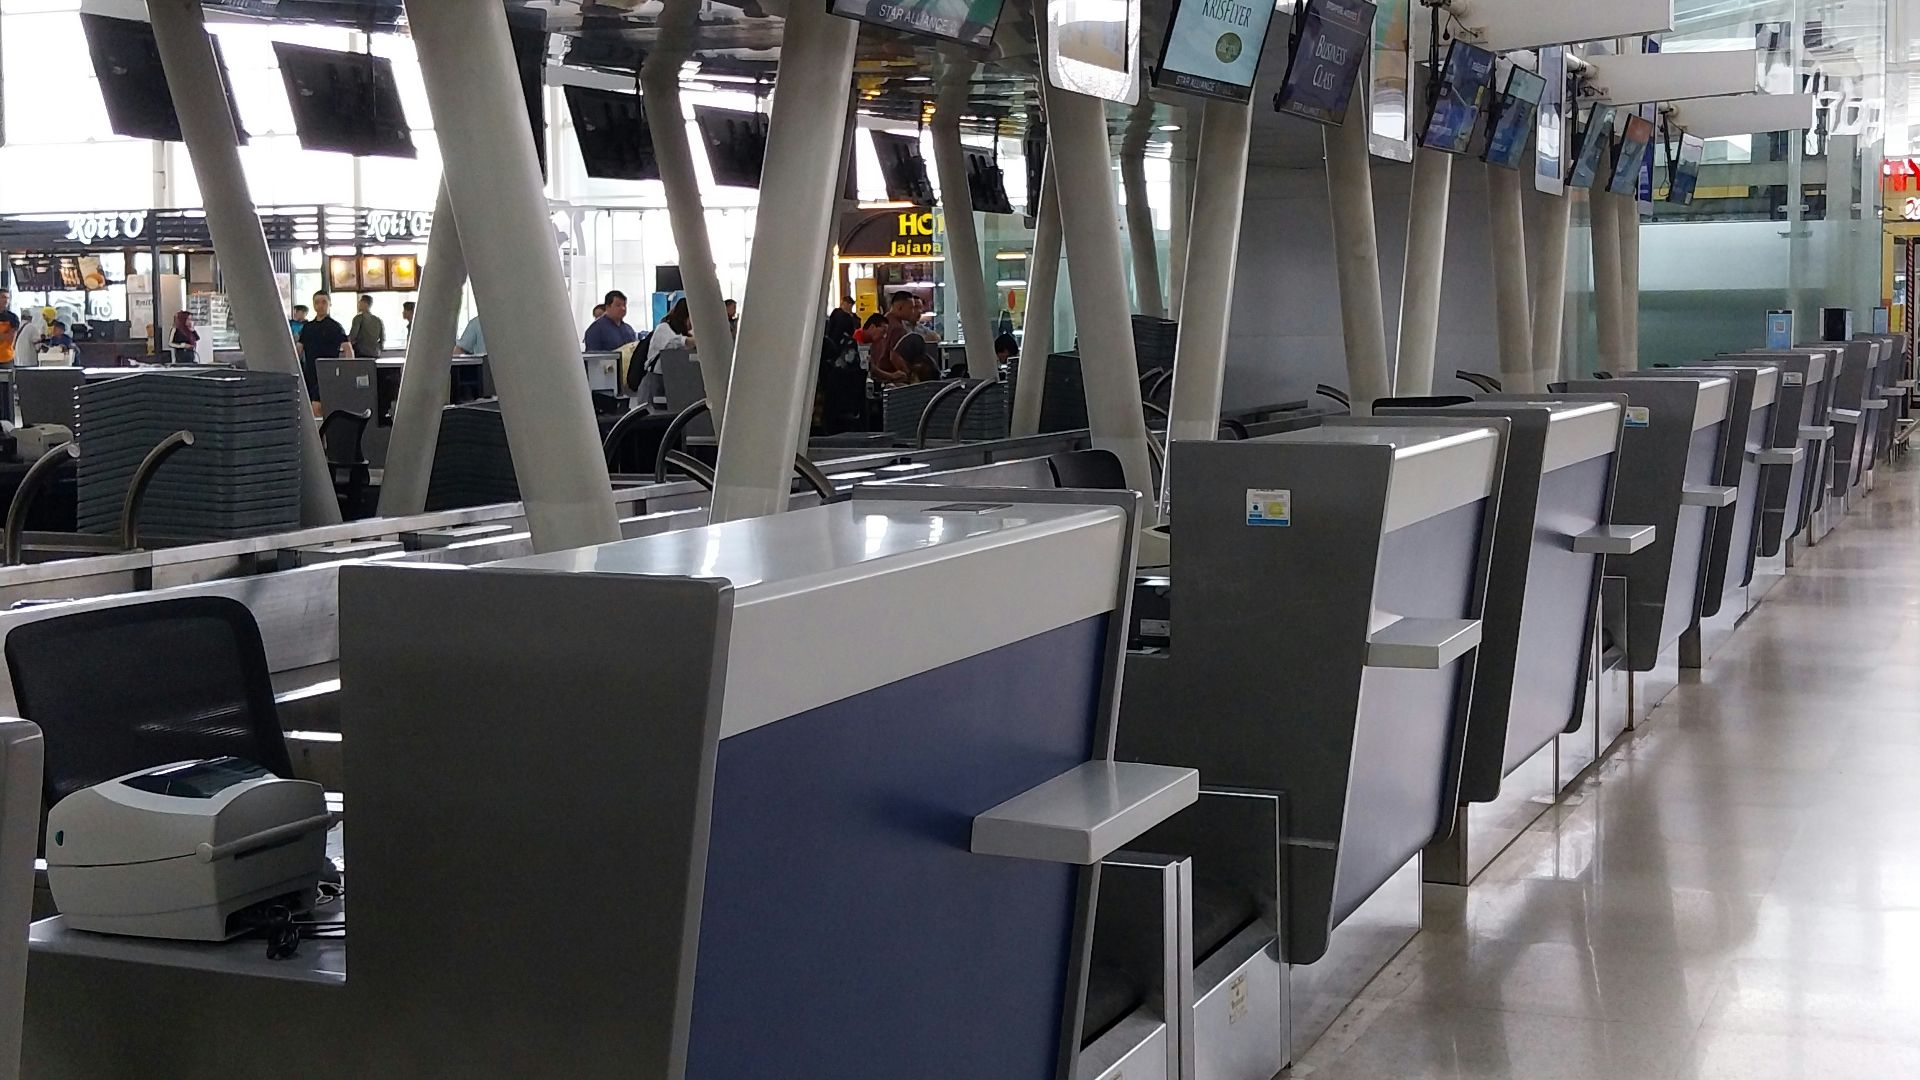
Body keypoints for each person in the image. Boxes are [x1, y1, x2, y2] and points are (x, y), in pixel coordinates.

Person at [634, 298, 697, 407]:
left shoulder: (685, 332)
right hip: (655, 382)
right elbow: (676, 342)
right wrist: (698, 340)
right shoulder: (663, 329)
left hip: (673, 382)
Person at [296, 292, 350, 414]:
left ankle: (319, 433)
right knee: (309, 408)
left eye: (324, 302)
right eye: (317, 302)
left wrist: (348, 372)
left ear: (330, 304)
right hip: (309, 374)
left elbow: (348, 349)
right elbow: (298, 349)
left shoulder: (335, 327)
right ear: (313, 305)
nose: (320, 305)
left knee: (317, 407)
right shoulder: (307, 327)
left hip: (328, 374)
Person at [865, 291, 919, 385]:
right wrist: (908, 375)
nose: (913, 311)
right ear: (900, 307)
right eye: (910, 308)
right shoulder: (897, 328)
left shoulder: (883, 321)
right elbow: (895, 356)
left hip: (878, 377)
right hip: (892, 378)